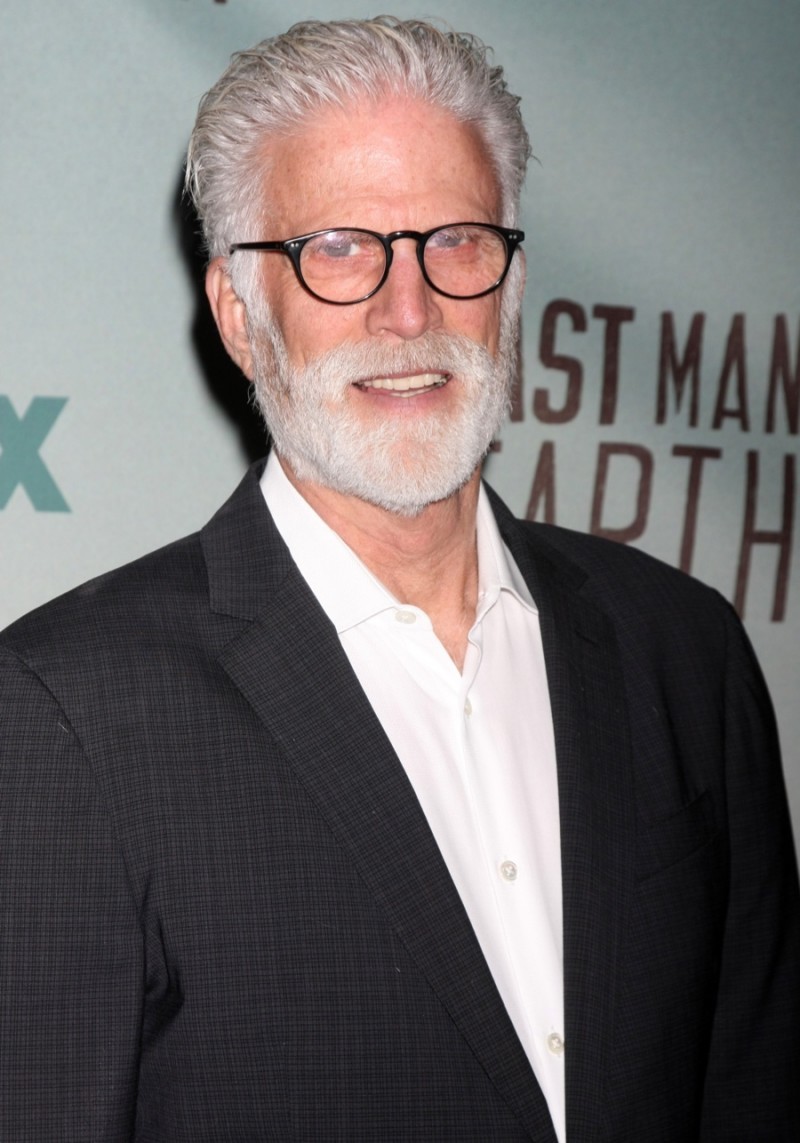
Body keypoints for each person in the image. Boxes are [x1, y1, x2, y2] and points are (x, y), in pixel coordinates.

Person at [0, 16, 798, 1141]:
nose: (408, 308)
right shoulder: (62, 713)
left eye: (456, 241)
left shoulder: (684, 652)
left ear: (511, 281)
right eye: (336, 248)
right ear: (239, 315)